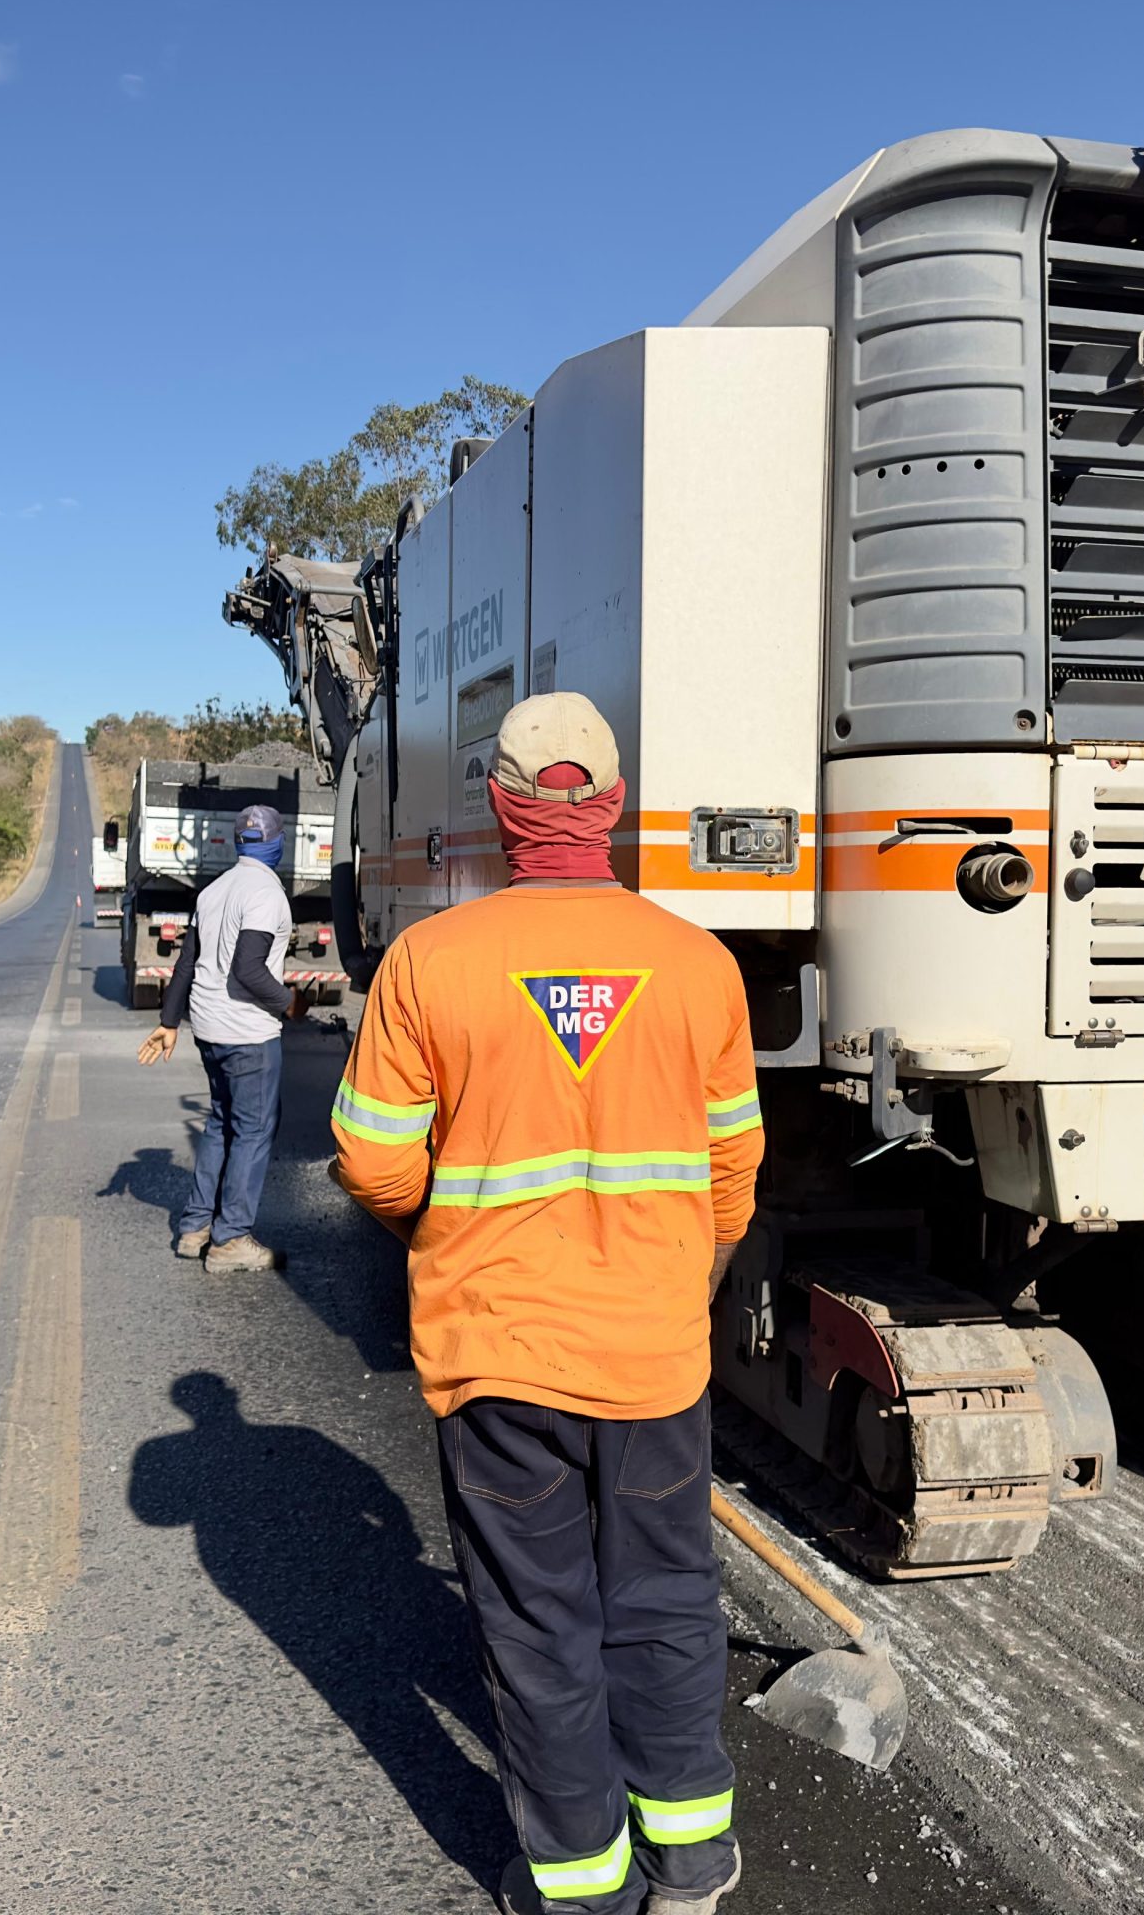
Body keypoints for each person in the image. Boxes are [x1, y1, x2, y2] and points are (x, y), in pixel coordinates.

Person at [332, 693, 763, 1915]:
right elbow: (733, 1166)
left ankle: (579, 1885)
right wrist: (686, 1268)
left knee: (537, 1619)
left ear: (502, 806)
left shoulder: (430, 962)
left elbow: (370, 1159)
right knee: (665, 1599)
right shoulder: (699, 964)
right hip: (653, 1354)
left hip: (500, 1350)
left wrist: (445, 1232)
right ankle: (692, 1861)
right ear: (613, 805)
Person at [140, 801, 304, 1272]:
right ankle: (230, 1238)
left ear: (238, 843)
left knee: (220, 1123)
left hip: (209, 1028)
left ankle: (195, 1227)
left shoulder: (213, 891)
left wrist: (169, 1021)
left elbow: (187, 962)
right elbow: (248, 969)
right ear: (277, 843)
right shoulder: (266, 893)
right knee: (252, 1130)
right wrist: (289, 1002)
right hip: (247, 1031)